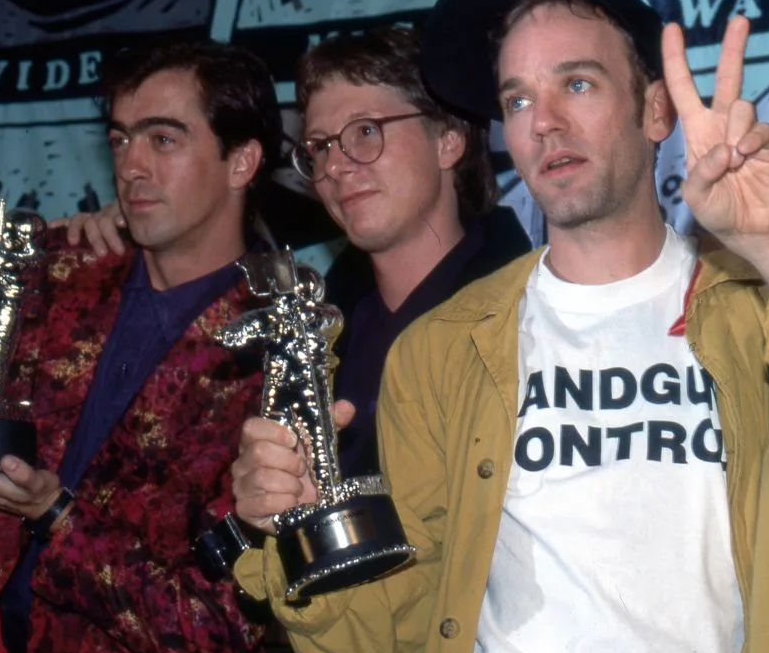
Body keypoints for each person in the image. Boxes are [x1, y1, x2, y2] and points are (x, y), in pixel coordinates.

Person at [226, 0, 769, 653]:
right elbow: (401, 623)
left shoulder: (763, 315)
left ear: (656, 112)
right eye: (519, 97)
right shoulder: (442, 350)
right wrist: (300, 529)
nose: (544, 121)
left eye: (579, 84)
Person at [0, 36, 283, 653]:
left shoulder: (277, 353)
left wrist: (55, 515)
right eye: (120, 138)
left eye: (163, 139)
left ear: (242, 162)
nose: (131, 166)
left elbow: (219, 626)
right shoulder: (64, 268)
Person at [69, 26, 531, 479]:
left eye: (366, 131)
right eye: (319, 147)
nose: (334, 165)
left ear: (448, 139)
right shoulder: (310, 329)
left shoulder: (528, 318)